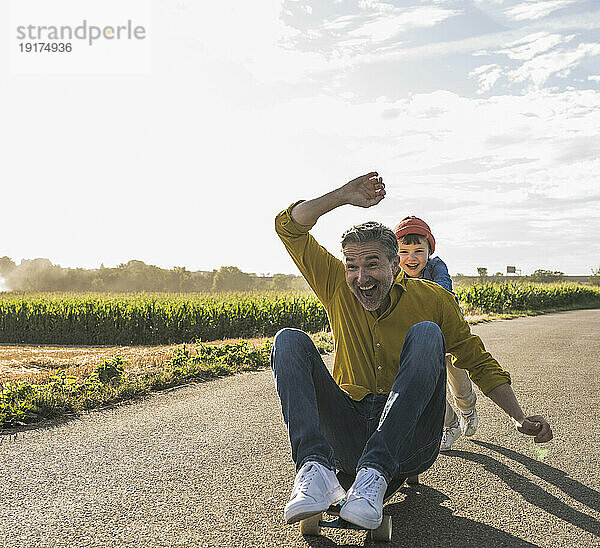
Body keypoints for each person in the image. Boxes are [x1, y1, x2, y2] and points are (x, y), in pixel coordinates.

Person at [272, 172, 552, 530]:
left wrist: (518, 417)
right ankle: (314, 469)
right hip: (347, 430)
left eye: (372, 264)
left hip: (411, 438)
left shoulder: (434, 299)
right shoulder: (335, 283)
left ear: (395, 265)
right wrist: (342, 196)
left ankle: (375, 472)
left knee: (425, 334)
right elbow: (288, 228)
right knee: (288, 340)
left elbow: (476, 359)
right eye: (352, 266)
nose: (361, 277)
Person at [394, 216, 478, 451]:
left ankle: (468, 410)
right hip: (417, 339)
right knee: (427, 387)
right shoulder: (394, 273)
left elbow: (442, 292)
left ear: (429, 251)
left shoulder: (437, 267)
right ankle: (449, 425)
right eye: (403, 251)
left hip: (448, 330)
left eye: (419, 251)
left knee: (458, 378)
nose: (411, 258)